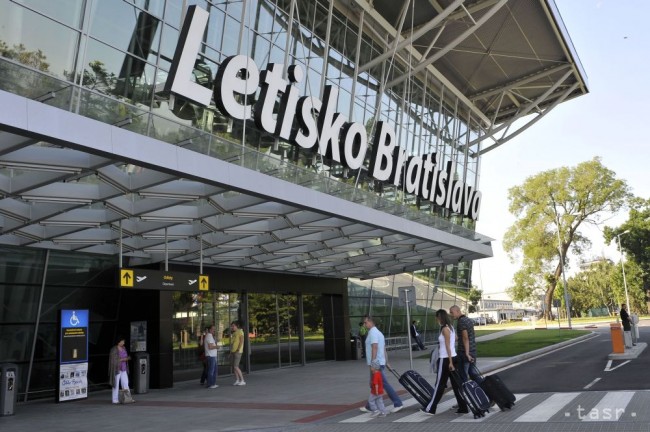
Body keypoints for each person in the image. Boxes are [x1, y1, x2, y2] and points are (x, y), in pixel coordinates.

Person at [421, 309, 467, 415]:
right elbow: (456, 338)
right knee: (456, 385)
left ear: (439, 317)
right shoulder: (450, 327)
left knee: (439, 384)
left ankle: (431, 408)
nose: (436, 319)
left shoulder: (444, 329)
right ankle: (463, 408)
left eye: (436, 317)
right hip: (453, 357)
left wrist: (450, 362)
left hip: (445, 359)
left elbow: (447, 346)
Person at [359, 315, 403, 413]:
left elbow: (375, 347)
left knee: (383, 383)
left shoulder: (373, 333)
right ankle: (370, 406)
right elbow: (383, 349)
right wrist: (386, 362)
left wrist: (373, 364)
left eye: (365, 322)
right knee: (373, 384)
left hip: (376, 364)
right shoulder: (378, 333)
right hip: (379, 362)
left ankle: (398, 403)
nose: (364, 325)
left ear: (371, 322)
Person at [449, 305, 480, 383]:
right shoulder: (468, 320)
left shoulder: (461, 322)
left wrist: (467, 353)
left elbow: (465, 338)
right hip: (472, 350)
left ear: (457, 311)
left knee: (463, 376)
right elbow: (465, 336)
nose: (451, 314)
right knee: (473, 374)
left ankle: (465, 390)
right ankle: (482, 387)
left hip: (464, 353)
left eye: (452, 312)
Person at [108, 336, 132, 404]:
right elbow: (114, 360)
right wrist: (124, 359)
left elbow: (125, 356)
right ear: (119, 342)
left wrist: (127, 358)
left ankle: (128, 398)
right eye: (122, 341)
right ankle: (115, 399)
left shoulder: (124, 348)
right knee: (116, 384)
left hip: (123, 368)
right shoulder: (114, 349)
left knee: (126, 383)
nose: (123, 343)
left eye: (123, 341)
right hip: (117, 369)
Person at [230, 320, 246, 386]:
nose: (232, 327)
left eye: (233, 326)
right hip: (233, 351)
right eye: (231, 326)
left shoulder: (240, 331)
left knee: (236, 366)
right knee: (234, 367)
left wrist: (238, 349)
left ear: (237, 326)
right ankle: (237, 380)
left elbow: (241, 341)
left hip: (238, 352)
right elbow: (232, 343)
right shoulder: (234, 333)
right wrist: (231, 352)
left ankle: (242, 380)